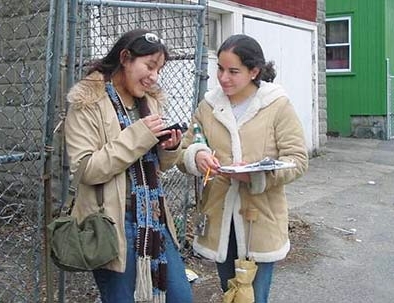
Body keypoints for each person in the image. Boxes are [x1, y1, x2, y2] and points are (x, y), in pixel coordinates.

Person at [64, 28, 193, 303]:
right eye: (149, 65)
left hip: (154, 217)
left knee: (181, 297)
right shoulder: (86, 102)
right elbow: (86, 169)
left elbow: (158, 165)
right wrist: (140, 136)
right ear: (125, 58)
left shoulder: (150, 101)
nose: (154, 76)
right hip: (110, 222)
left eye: (159, 69)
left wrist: (169, 148)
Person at [178, 34, 308, 302]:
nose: (223, 78)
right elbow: (184, 150)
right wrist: (197, 155)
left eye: (233, 71)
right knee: (230, 293)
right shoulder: (208, 106)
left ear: (254, 71)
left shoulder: (276, 105)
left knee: (254, 297)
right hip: (219, 215)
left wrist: (258, 176)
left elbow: (297, 159)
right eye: (220, 69)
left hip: (260, 217)